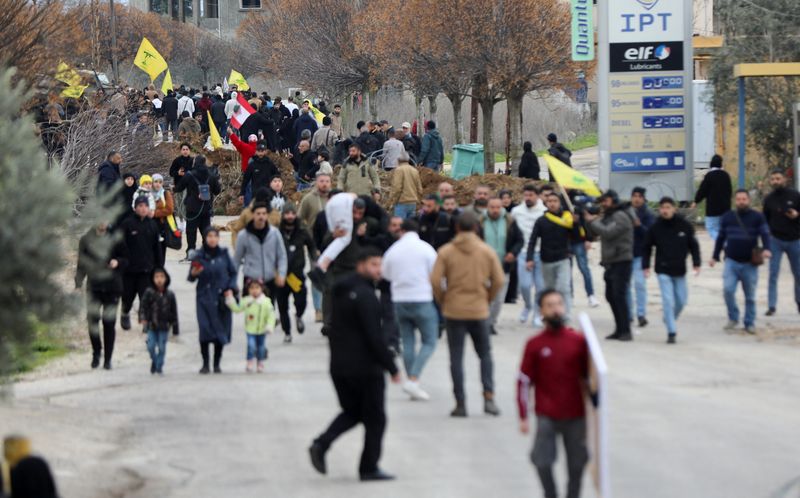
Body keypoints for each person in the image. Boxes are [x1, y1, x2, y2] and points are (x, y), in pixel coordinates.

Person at [309, 247, 401, 482]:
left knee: (353, 412)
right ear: (360, 265)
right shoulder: (365, 295)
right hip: (365, 368)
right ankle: (368, 468)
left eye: (380, 265)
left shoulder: (341, 290)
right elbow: (374, 335)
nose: (378, 270)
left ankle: (321, 444)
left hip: (339, 365)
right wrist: (391, 367)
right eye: (373, 264)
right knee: (376, 418)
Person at [517, 289, 590, 498]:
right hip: (546, 413)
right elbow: (523, 381)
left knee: (577, 462)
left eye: (558, 304)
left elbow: (591, 378)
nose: (555, 309)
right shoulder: (535, 344)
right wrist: (523, 415)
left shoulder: (579, 342)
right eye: (549, 305)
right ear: (541, 312)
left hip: (576, 413)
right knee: (541, 460)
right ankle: (550, 494)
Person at [431, 212, 505, 417]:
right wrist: (487, 298)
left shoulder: (446, 251)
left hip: (454, 309)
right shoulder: (486, 251)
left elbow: (435, 280)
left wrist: (443, 299)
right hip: (479, 309)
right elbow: (499, 280)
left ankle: (460, 402)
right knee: (485, 354)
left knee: (456, 357)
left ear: (456, 228)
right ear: (476, 228)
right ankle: (488, 397)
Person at [382, 219, 438, 401]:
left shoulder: (393, 250)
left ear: (402, 231)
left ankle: (411, 381)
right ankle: (413, 379)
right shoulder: (426, 248)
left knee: (407, 341)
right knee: (429, 340)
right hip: (422, 298)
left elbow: (386, 274)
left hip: (400, 300)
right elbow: (435, 273)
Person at [711, 190, 772, 334]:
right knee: (728, 290)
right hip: (731, 261)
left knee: (750, 296)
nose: (741, 201)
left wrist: (767, 249)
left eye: (744, 199)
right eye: (738, 199)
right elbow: (720, 238)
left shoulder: (757, 217)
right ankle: (733, 317)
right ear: (734, 201)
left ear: (749, 200)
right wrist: (714, 256)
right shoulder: (727, 217)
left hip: (750, 264)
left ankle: (749, 323)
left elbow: (765, 234)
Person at [642, 197, 701, 343]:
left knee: (681, 300)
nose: (665, 210)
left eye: (668, 207)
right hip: (662, 269)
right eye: (662, 208)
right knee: (668, 300)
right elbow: (647, 247)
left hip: (680, 270)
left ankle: (669, 319)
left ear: (674, 208)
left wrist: (696, 263)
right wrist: (646, 265)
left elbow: (693, 245)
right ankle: (671, 331)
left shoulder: (684, 225)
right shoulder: (655, 227)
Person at [75, 221, 128, 370]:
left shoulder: (116, 238)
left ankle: (108, 359)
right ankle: (96, 352)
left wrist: (117, 262)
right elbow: (81, 263)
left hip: (113, 286)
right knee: (92, 321)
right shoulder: (86, 239)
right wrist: (78, 283)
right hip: (94, 286)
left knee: (109, 322)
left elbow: (126, 258)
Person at [584, 190, 635, 341]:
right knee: (611, 295)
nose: (603, 205)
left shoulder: (620, 215)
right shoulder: (610, 215)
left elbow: (607, 232)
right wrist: (588, 222)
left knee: (618, 296)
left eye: (605, 201)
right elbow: (595, 233)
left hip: (621, 260)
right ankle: (619, 329)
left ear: (613, 201)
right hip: (611, 261)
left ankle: (625, 330)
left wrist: (592, 221)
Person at [188, 228, 238, 374]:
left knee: (220, 330)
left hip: (221, 298)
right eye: (209, 236)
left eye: (215, 236)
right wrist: (194, 273)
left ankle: (216, 363)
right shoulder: (199, 256)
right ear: (205, 238)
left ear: (218, 238)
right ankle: (205, 363)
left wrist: (230, 287)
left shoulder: (224, 255)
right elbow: (191, 278)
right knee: (204, 329)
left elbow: (233, 273)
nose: (212, 239)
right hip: (204, 298)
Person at [528, 193, 579, 319]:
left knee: (563, 287)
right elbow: (533, 240)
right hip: (546, 259)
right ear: (546, 203)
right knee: (549, 289)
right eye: (549, 200)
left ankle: (565, 314)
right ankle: (548, 314)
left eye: (555, 200)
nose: (552, 203)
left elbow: (577, 237)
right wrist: (529, 258)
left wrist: (577, 223)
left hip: (563, 258)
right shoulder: (542, 220)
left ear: (560, 203)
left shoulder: (567, 219)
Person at [119, 197, 163, 334]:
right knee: (128, 297)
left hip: (147, 269)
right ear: (135, 208)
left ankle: (146, 321)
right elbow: (119, 246)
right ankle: (125, 313)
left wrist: (159, 268)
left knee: (145, 297)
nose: (143, 208)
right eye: (140, 206)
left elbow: (157, 248)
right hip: (129, 270)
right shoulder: (127, 224)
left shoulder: (152, 225)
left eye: (145, 206)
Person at [761, 169, 800, 315]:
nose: (775, 181)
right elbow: (764, 220)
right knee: (773, 274)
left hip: (794, 240)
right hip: (775, 240)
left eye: (778, 178)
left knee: (798, 274)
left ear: (784, 179)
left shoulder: (795, 195)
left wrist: (797, 214)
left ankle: (799, 302)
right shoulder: (769, 199)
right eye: (773, 179)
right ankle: (772, 306)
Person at [483, 198, 524, 335]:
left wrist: (513, 252)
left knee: (499, 299)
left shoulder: (509, 221)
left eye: (497, 207)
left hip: (503, 267)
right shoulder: (480, 222)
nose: (495, 210)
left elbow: (520, 240)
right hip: (484, 268)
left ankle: (491, 322)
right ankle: (484, 322)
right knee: (485, 297)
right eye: (492, 207)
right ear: (487, 207)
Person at [277, 203, 317, 342]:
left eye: (292, 214)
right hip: (281, 275)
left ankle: (299, 315)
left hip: (296, 274)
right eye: (287, 214)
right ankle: (287, 332)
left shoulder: (302, 230)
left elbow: (311, 246)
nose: (290, 216)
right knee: (282, 306)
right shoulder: (277, 232)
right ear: (283, 215)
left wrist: (316, 259)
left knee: (301, 301)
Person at [234, 203, 288, 300]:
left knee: (269, 312)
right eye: (258, 213)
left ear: (267, 215)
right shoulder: (243, 235)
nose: (261, 216)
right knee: (251, 313)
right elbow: (237, 259)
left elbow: (282, 256)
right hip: (250, 280)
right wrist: (233, 281)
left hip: (269, 279)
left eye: (263, 213)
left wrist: (282, 274)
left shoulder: (275, 233)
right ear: (253, 215)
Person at [512, 184, 547, 326]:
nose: (528, 198)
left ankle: (538, 315)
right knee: (525, 286)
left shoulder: (544, 211)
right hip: (523, 253)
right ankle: (528, 306)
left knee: (540, 287)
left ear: (537, 196)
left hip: (541, 253)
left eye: (531, 195)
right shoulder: (516, 211)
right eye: (526, 195)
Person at [174, 155, 221, 258]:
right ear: (205, 163)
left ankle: (191, 252)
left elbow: (179, 188)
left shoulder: (189, 175)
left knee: (191, 232)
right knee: (206, 231)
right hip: (206, 207)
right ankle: (207, 252)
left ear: (195, 163)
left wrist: (173, 188)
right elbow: (217, 191)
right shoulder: (211, 175)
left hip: (192, 208)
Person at [226, 279, 277, 372]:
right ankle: (250, 360)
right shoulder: (246, 301)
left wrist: (270, 325)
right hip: (250, 329)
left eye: (257, 288)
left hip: (262, 329)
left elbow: (271, 315)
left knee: (261, 347)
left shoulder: (266, 302)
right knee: (251, 345)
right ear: (248, 290)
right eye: (252, 288)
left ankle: (260, 361)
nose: (254, 290)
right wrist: (230, 300)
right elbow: (237, 309)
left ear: (262, 289)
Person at [139, 268, 178, 375]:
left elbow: (174, 312)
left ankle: (159, 366)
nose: (159, 280)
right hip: (151, 325)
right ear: (152, 279)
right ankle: (155, 361)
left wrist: (175, 328)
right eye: (156, 277)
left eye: (162, 277)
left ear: (166, 279)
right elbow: (143, 306)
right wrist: (143, 319)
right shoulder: (149, 292)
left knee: (162, 347)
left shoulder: (170, 294)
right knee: (150, 346)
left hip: (164, 326)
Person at [628, 187, 655, 328]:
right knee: (625, 286)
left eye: (639, 196)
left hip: (640, 255)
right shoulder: (625, 211)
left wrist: (639, 226)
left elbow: (651, 235)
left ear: (644, 198)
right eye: (634, 196)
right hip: (625, 254)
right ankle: (628, 314)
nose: (637, 199)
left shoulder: (648, 214)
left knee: (639, 284)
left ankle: (641, 314)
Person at [692, 154, 732, 241]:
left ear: (711, 164)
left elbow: (702, 190)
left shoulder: (709, 176)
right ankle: (724, 243)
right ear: (721, 164)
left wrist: (696, 201)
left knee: (710, 227)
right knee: (723, 229)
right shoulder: (726, 175)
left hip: (712, 209)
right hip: (725, 209)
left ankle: (720, 243)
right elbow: (729, 192)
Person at [389, 150, 423, 219]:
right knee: (409, 226)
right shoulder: (414, 170)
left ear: (398, 160)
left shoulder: (399, 170)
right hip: (413, 203)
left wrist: (392, 201)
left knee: (400, 225)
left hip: (401, 202)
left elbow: (397, 188)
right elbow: (420, 189)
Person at [151, 174, 175, 261]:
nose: (158, 184)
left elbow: (169, 209)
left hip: (162, 226)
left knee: (161, 254)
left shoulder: (165, 194)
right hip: (149, 226)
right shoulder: (147, 193)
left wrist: (154, 213)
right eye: (156, 182)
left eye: (160, 182)